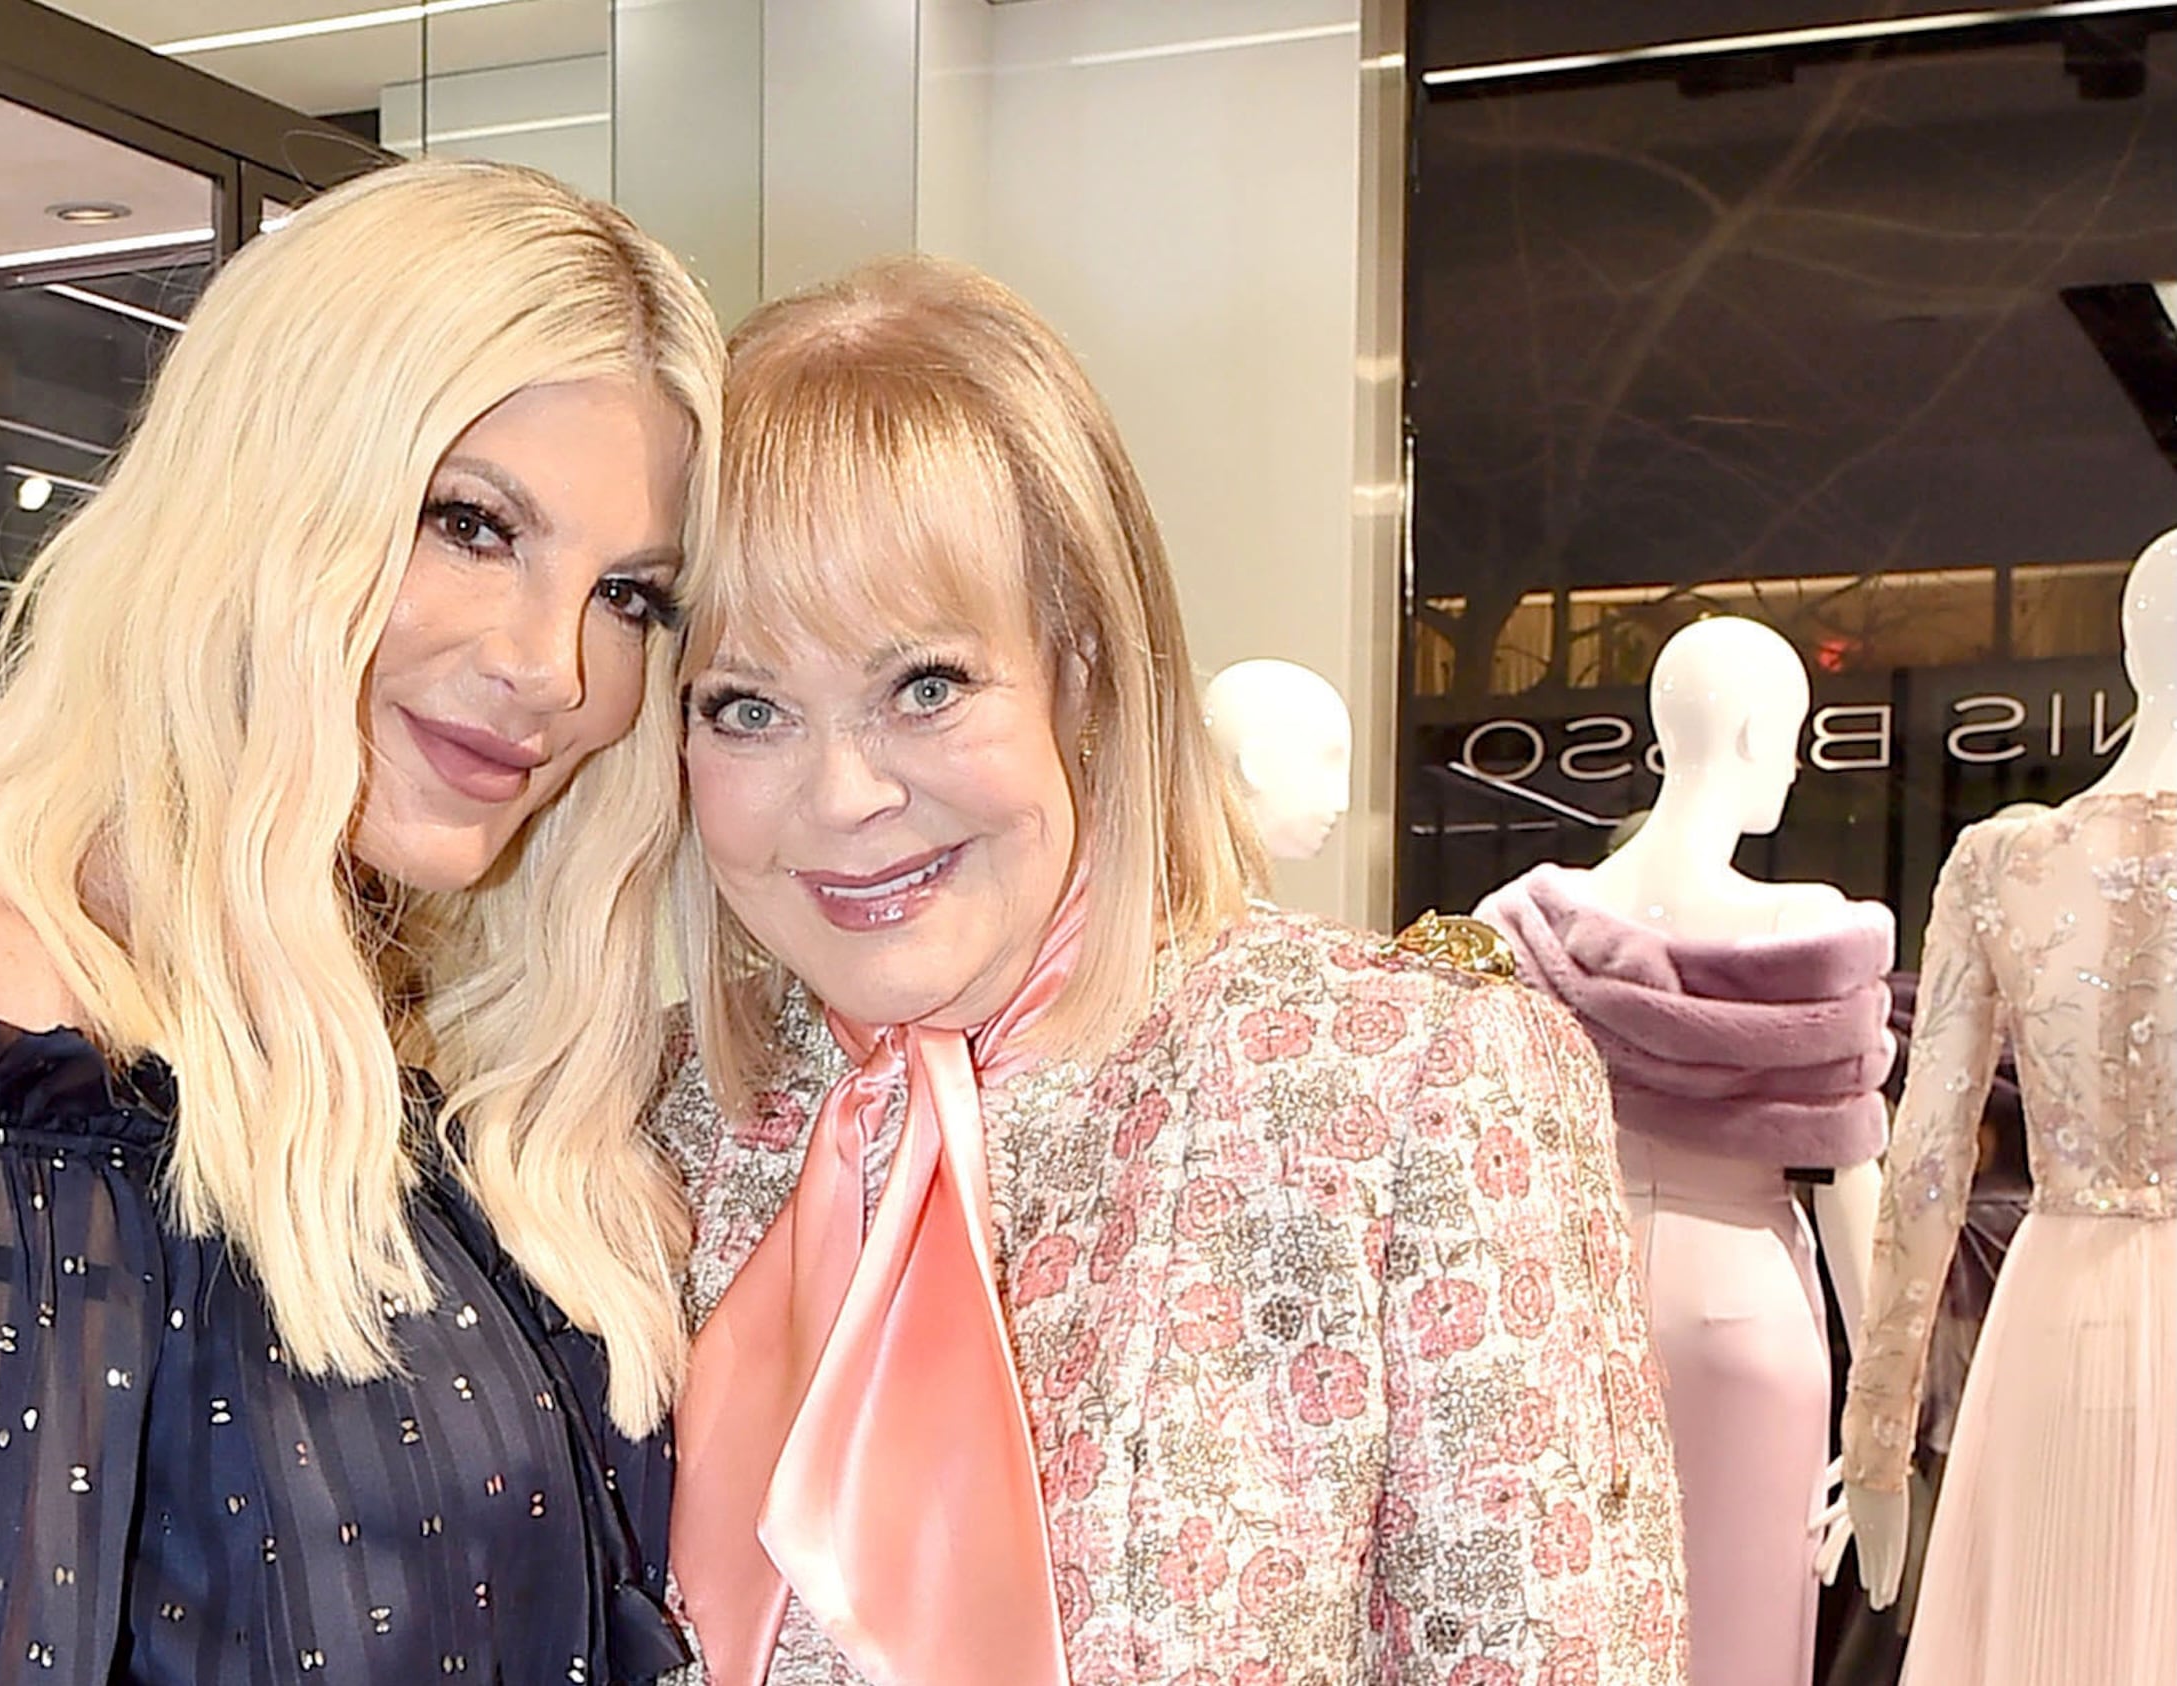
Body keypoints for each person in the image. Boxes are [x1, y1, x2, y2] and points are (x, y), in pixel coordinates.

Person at [0, 158, 721, 1686]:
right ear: (272, 498)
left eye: (628, 596)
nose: (555, 669)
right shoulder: (17, 1024)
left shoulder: (414, 1007)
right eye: (470, 524)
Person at [652, 257, 1687, 1685]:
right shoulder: (657, 1118)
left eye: (925, 685)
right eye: (746, 705)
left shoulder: (1400, 1093)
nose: (839, 796)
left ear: (1080, 664)